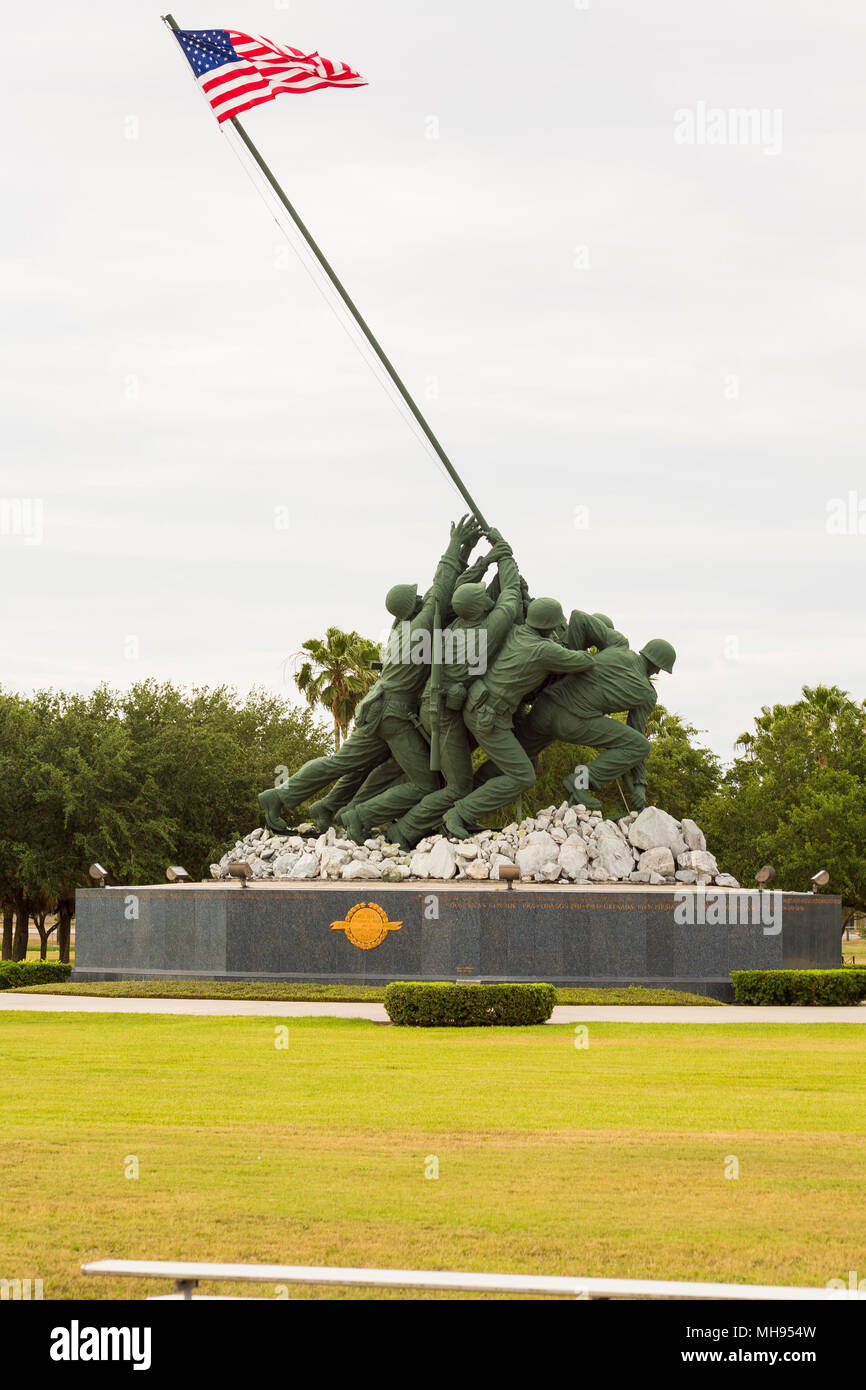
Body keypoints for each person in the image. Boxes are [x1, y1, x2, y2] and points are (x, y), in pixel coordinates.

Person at [257, 514, 481, 834]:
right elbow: (441, 590)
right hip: (394, 715)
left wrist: (467, 553)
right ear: (414, 604)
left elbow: (439, 595)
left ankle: (285, 796)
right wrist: (456, 545)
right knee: (426, 783)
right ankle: (358, 817)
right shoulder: (418, 627)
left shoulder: (400, 628)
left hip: (379, 709)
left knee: (345, 763)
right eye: (418, 596)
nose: (422, 597)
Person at [341, 532, 523, 846]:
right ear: (480, 608)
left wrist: (482, 561)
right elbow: (510, 599)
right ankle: (390, 825)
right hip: (440, 714)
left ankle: (407, 823)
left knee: (436, 778)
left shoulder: (448, 623)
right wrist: (505, 556)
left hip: (430, 708)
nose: (487, 595)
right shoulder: (487, 630)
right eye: (483, 594)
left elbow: (452, 593)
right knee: (456, 785)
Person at [442, 597, 598, 839]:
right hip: (489, 716)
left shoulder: (515, 632)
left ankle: (462, 808)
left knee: (527, 761)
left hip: (481, 705)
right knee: (523, 775)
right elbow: (584, 661)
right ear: (549, 626)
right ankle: (458, 814)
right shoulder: (544, 650)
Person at [514, 638, 676, 812]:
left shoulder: (616, 648)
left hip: (545, 706)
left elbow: (579, 619)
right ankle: (579, 781)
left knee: (513, 756)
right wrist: (640, 783)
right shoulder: (646, 693)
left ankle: (479, 794)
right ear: (657, 665)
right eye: (660, 668)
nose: (658, 672)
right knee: (639, 745)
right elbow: (635, 733)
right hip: (573, 721)